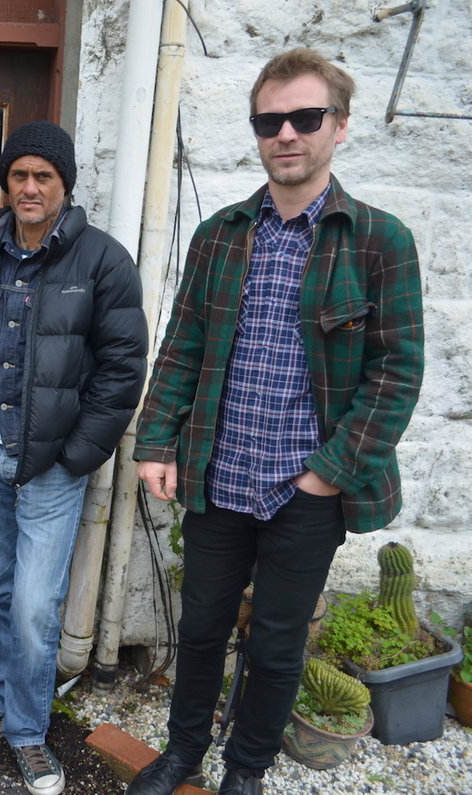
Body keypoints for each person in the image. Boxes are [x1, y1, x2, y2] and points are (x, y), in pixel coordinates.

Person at [129, 48, 424, 795]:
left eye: (305, 117)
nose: (286, 133)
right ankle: (184, 752)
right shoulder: (220, 235)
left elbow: (397, 372)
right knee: (200, 629)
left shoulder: (379, 241)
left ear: (340, 126)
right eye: (269, 121)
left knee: (278, 642)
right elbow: (183, 345)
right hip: (219, 474)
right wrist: (157, 440)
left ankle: (247, 770)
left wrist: (330, 473)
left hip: (307, 489)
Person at [0, 120, 148, 795]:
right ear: (6, 183)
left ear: (64, 185)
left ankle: (27, 731)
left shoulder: (102, 260)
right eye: (19, 175)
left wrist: (78, 455)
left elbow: (122, 369)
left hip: (52, 464)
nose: (29, 187)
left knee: (33, 605)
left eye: (43, 176)